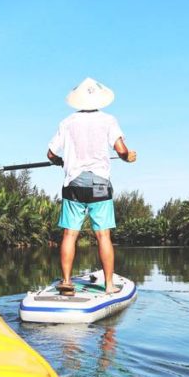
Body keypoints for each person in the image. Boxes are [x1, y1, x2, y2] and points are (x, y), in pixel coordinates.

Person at [47, 77, 137, 295]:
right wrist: (128, 156)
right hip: (99, 183)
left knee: (70, 234)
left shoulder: (66, 122)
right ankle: (109, 285)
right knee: (103, 235)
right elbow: (121, 150)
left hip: (74, 184)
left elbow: (50, 154)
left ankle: (66, 282)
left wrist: (60, 161)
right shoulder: (108, 120)